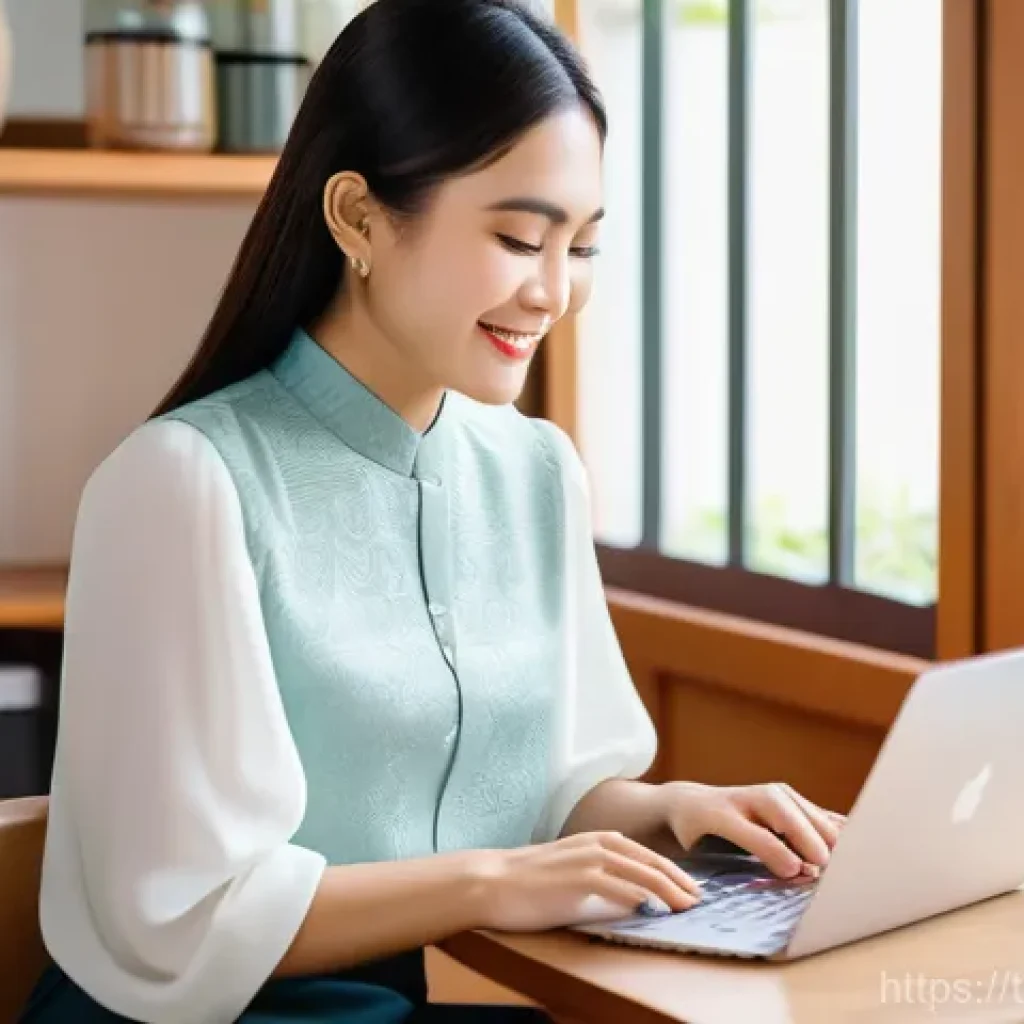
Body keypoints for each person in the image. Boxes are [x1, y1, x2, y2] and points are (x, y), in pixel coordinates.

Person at [19, 1, 844, 1020]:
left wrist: (673, 813)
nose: (552, 293)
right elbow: (188, 915)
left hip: (468, 986)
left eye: (581, 247)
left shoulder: (539, 471)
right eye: (517, 237)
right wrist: (487, 883)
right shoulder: (182, 485)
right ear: (358, 218)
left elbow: (551, 801)